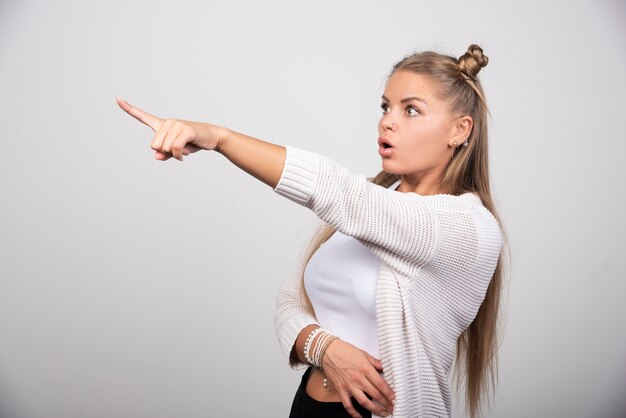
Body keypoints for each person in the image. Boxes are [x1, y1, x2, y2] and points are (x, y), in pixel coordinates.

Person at [117, 43, 505, 418]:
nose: (388, 120)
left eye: (412, 110)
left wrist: (222, 138)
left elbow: (338, 191)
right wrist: (326, 348)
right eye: (386, 106)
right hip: (307, 408)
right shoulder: (366, 207)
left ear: (459, 130)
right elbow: (290, 304)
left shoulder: (469, 229)